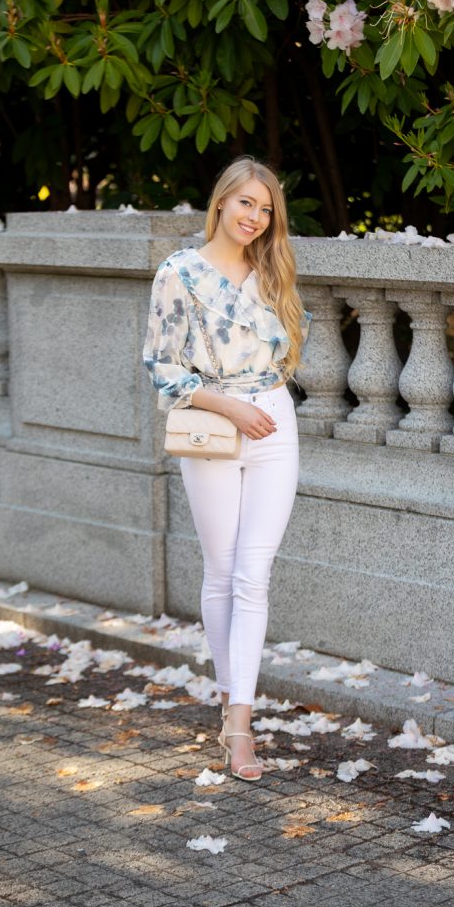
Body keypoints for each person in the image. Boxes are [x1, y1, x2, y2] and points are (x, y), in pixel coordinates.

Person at [142, 156, 310, 782]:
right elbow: (160, 364)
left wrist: (261, 403)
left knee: (253, 573)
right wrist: (228, 404)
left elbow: (291, 346)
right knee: (220, 570)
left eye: (266, 209)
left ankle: (238, 722)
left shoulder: (272, 271)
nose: (255, 217)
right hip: (215, 424)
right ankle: (228, 699)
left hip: (272, 424)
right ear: (220, 202)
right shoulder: (179, 272)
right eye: (246, 203)